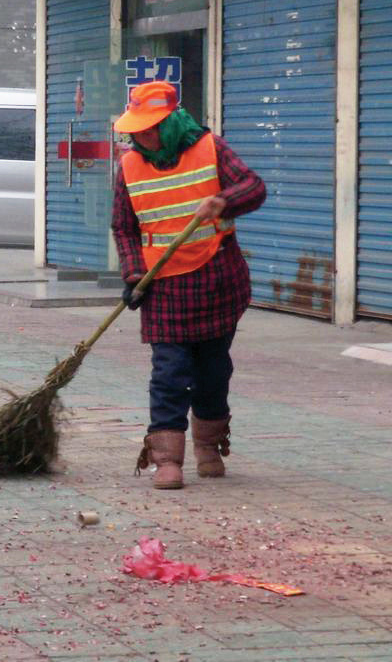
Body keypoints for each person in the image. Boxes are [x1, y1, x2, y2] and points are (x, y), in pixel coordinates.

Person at [111, 80, 266, 490]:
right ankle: (166, 458)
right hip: (162, 288)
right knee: (170, 373)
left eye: (149, 128)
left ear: (171, 122)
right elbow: (124, 229)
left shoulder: (210, 148)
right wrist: (131, 275)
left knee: (213, 371)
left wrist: (224, 201)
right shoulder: (128, 166)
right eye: (136, 130)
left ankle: (209, 448)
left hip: (217, 282)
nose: (141, 137)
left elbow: (254, 188)